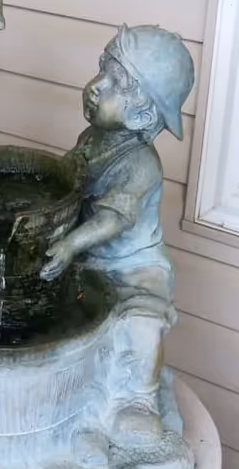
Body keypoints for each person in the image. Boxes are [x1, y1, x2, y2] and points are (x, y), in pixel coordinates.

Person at [40, 24, 194, 447]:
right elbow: (68, 181)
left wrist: (70, 242)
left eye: (115, 84)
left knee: (139, 322)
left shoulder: (141, 163)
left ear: (143, 115)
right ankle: (77, 401)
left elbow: (112, 221)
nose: (96, 87)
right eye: (102, 71)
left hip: (133, 267)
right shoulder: (93, 139)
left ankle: (136, 403)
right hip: (91, 260)